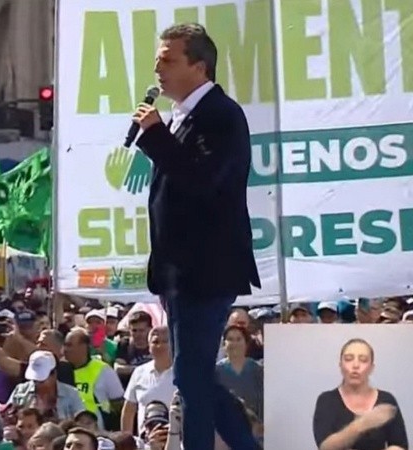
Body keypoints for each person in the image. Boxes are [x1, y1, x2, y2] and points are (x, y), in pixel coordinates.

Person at [130, 22, 260, 449]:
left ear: (200, 67)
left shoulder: (220, 116)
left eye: (169, 60)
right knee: (195, 377)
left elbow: (201, 180)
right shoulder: (183, 116)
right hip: (180, 272)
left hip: (208, 268)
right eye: (157, 60)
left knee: (190, 375)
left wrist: (155, 136)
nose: (158, 68)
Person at [313, 338, 407, 450]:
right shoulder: (326, 400)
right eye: (348, 359)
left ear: (371, 368)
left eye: (363, 360)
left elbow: (400, 445)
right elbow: (325, 446)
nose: (355, 365)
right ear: (340, 365)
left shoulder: (387, 399)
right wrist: (363, 424)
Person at [7, 351, 85, 423]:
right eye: (34, 380)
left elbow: (82, 423)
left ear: (54, 374)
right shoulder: (20, 391)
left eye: (41, 381)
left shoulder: (72, 395)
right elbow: (7, 416)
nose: (37, 384)